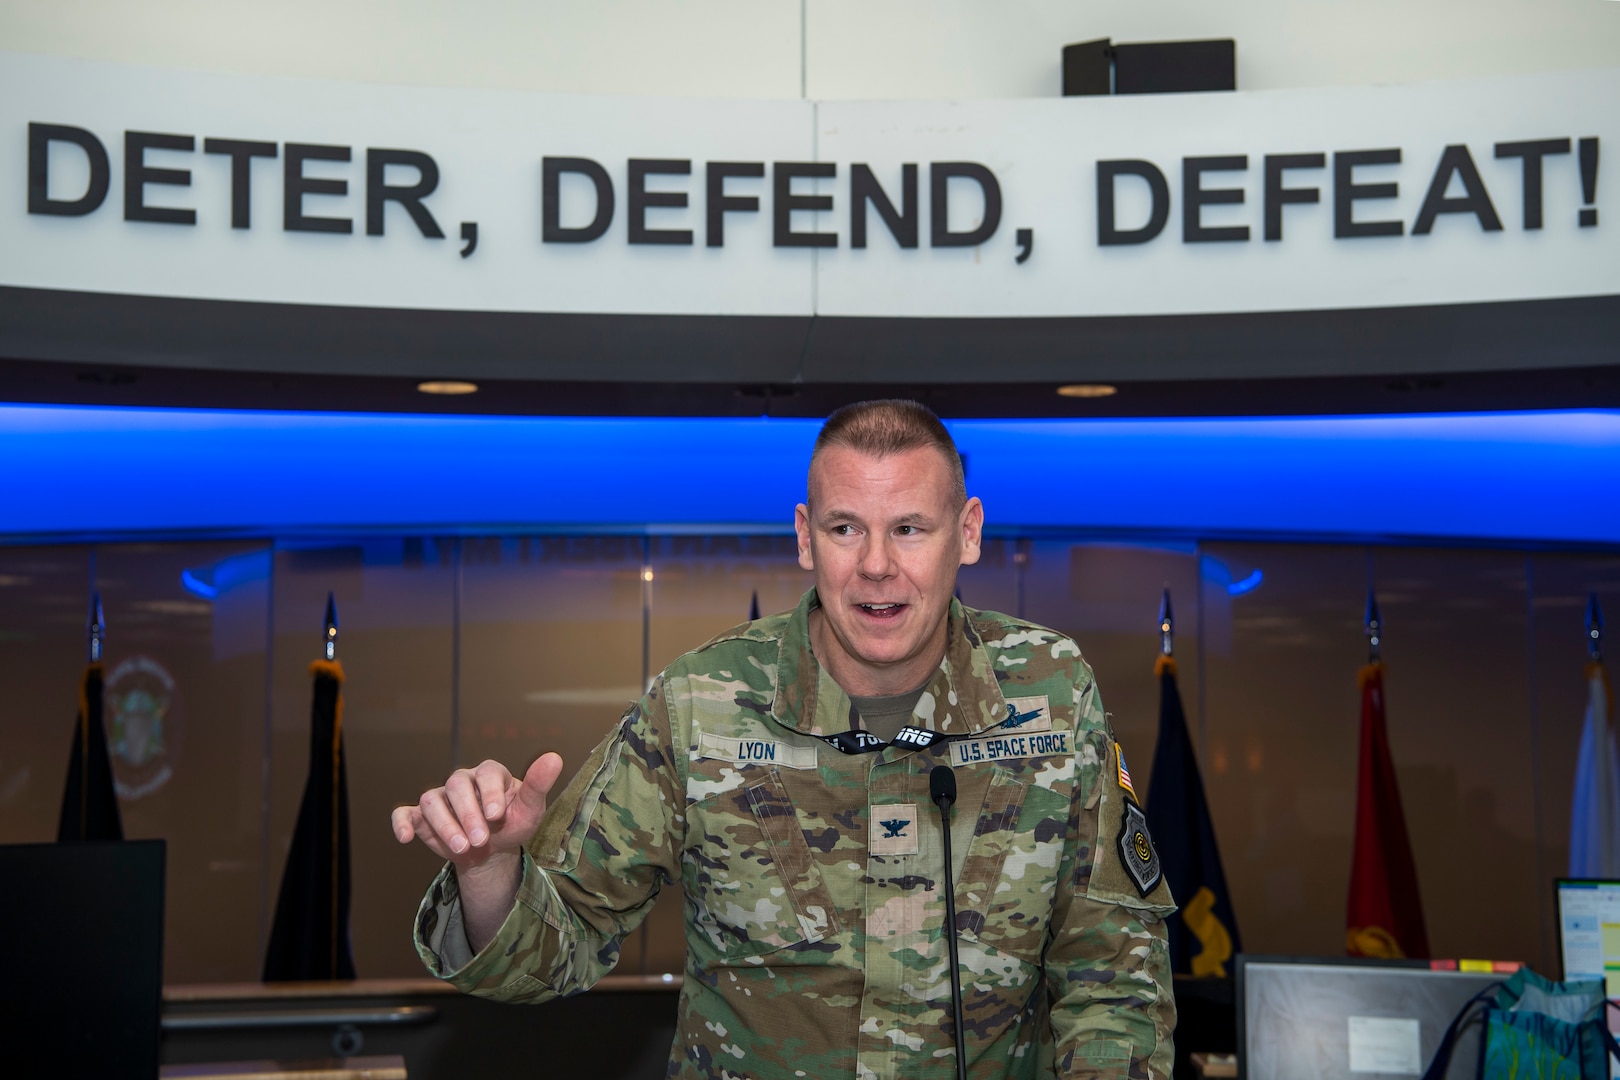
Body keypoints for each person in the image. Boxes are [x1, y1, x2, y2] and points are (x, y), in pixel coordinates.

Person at [393, 399, 1177, 1078]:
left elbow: (1113, 976)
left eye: (909, 528)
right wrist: (490, 868)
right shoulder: (702, 705)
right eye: (846, 528)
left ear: (966, 533)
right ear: (805, 538)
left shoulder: (1047, 692)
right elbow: (548, 954)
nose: (876, 566)